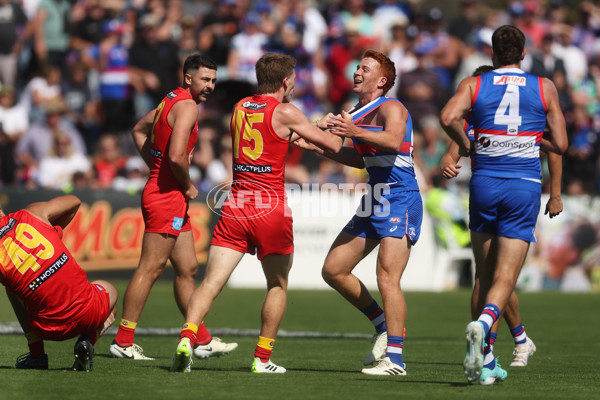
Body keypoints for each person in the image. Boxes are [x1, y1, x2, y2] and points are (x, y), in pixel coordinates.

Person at [171, 52, 343, 374]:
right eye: (292, 79)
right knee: (277, 286)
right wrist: (340, 126)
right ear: (284, 81)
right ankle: (262, 360)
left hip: (235, 207)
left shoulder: (240, 107)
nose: (294, 85)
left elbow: (275, 135)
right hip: (270, 209)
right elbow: (331, 147)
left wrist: (311, 125)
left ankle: (186, 338)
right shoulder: (287, 111)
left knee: (209, 285)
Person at [440, 25, 568, 385]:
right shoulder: (543, 87)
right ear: (524, 53)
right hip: (522, 186)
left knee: (483, 274)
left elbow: (449, 118)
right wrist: (526, 139)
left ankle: (487, 360)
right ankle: (484, 327)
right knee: (505, 277)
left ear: (491, 54)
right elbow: (560, 143)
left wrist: (468, 145)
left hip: (484, 185)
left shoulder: (473, 84)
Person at [297, 50, 422, 376]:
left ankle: (395, 359)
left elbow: (393, 140)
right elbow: (356, 156)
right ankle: (382, 323)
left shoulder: (391, 107)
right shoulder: (357, 112)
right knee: (334, 270)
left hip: (400, 197)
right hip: (375, 197)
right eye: (356, 67)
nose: (356, 71)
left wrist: (351, 132)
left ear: (381, 81)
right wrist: (318, 145)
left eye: (364, 68)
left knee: (387, 277)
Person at [109, 54, 238, 361]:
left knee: (188, 268)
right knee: (151, 268)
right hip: (167, 195)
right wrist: (187, 184)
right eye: (205, 79)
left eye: (213, 80)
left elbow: (138, 130)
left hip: (166, 192)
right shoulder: (189, 107)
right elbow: (178, 156)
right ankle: (123, 341)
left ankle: (202, 339)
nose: (210, 86)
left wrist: (156, 168)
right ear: (188, 77)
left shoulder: (171, 100)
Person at [0, 195, 118, 371]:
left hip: (47, 329)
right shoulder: (34, 212)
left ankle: (36, 354)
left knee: (11, 289)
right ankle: (88, 342)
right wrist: (54, 230)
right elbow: (75, 201)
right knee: (110, 289)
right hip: (90, 313)